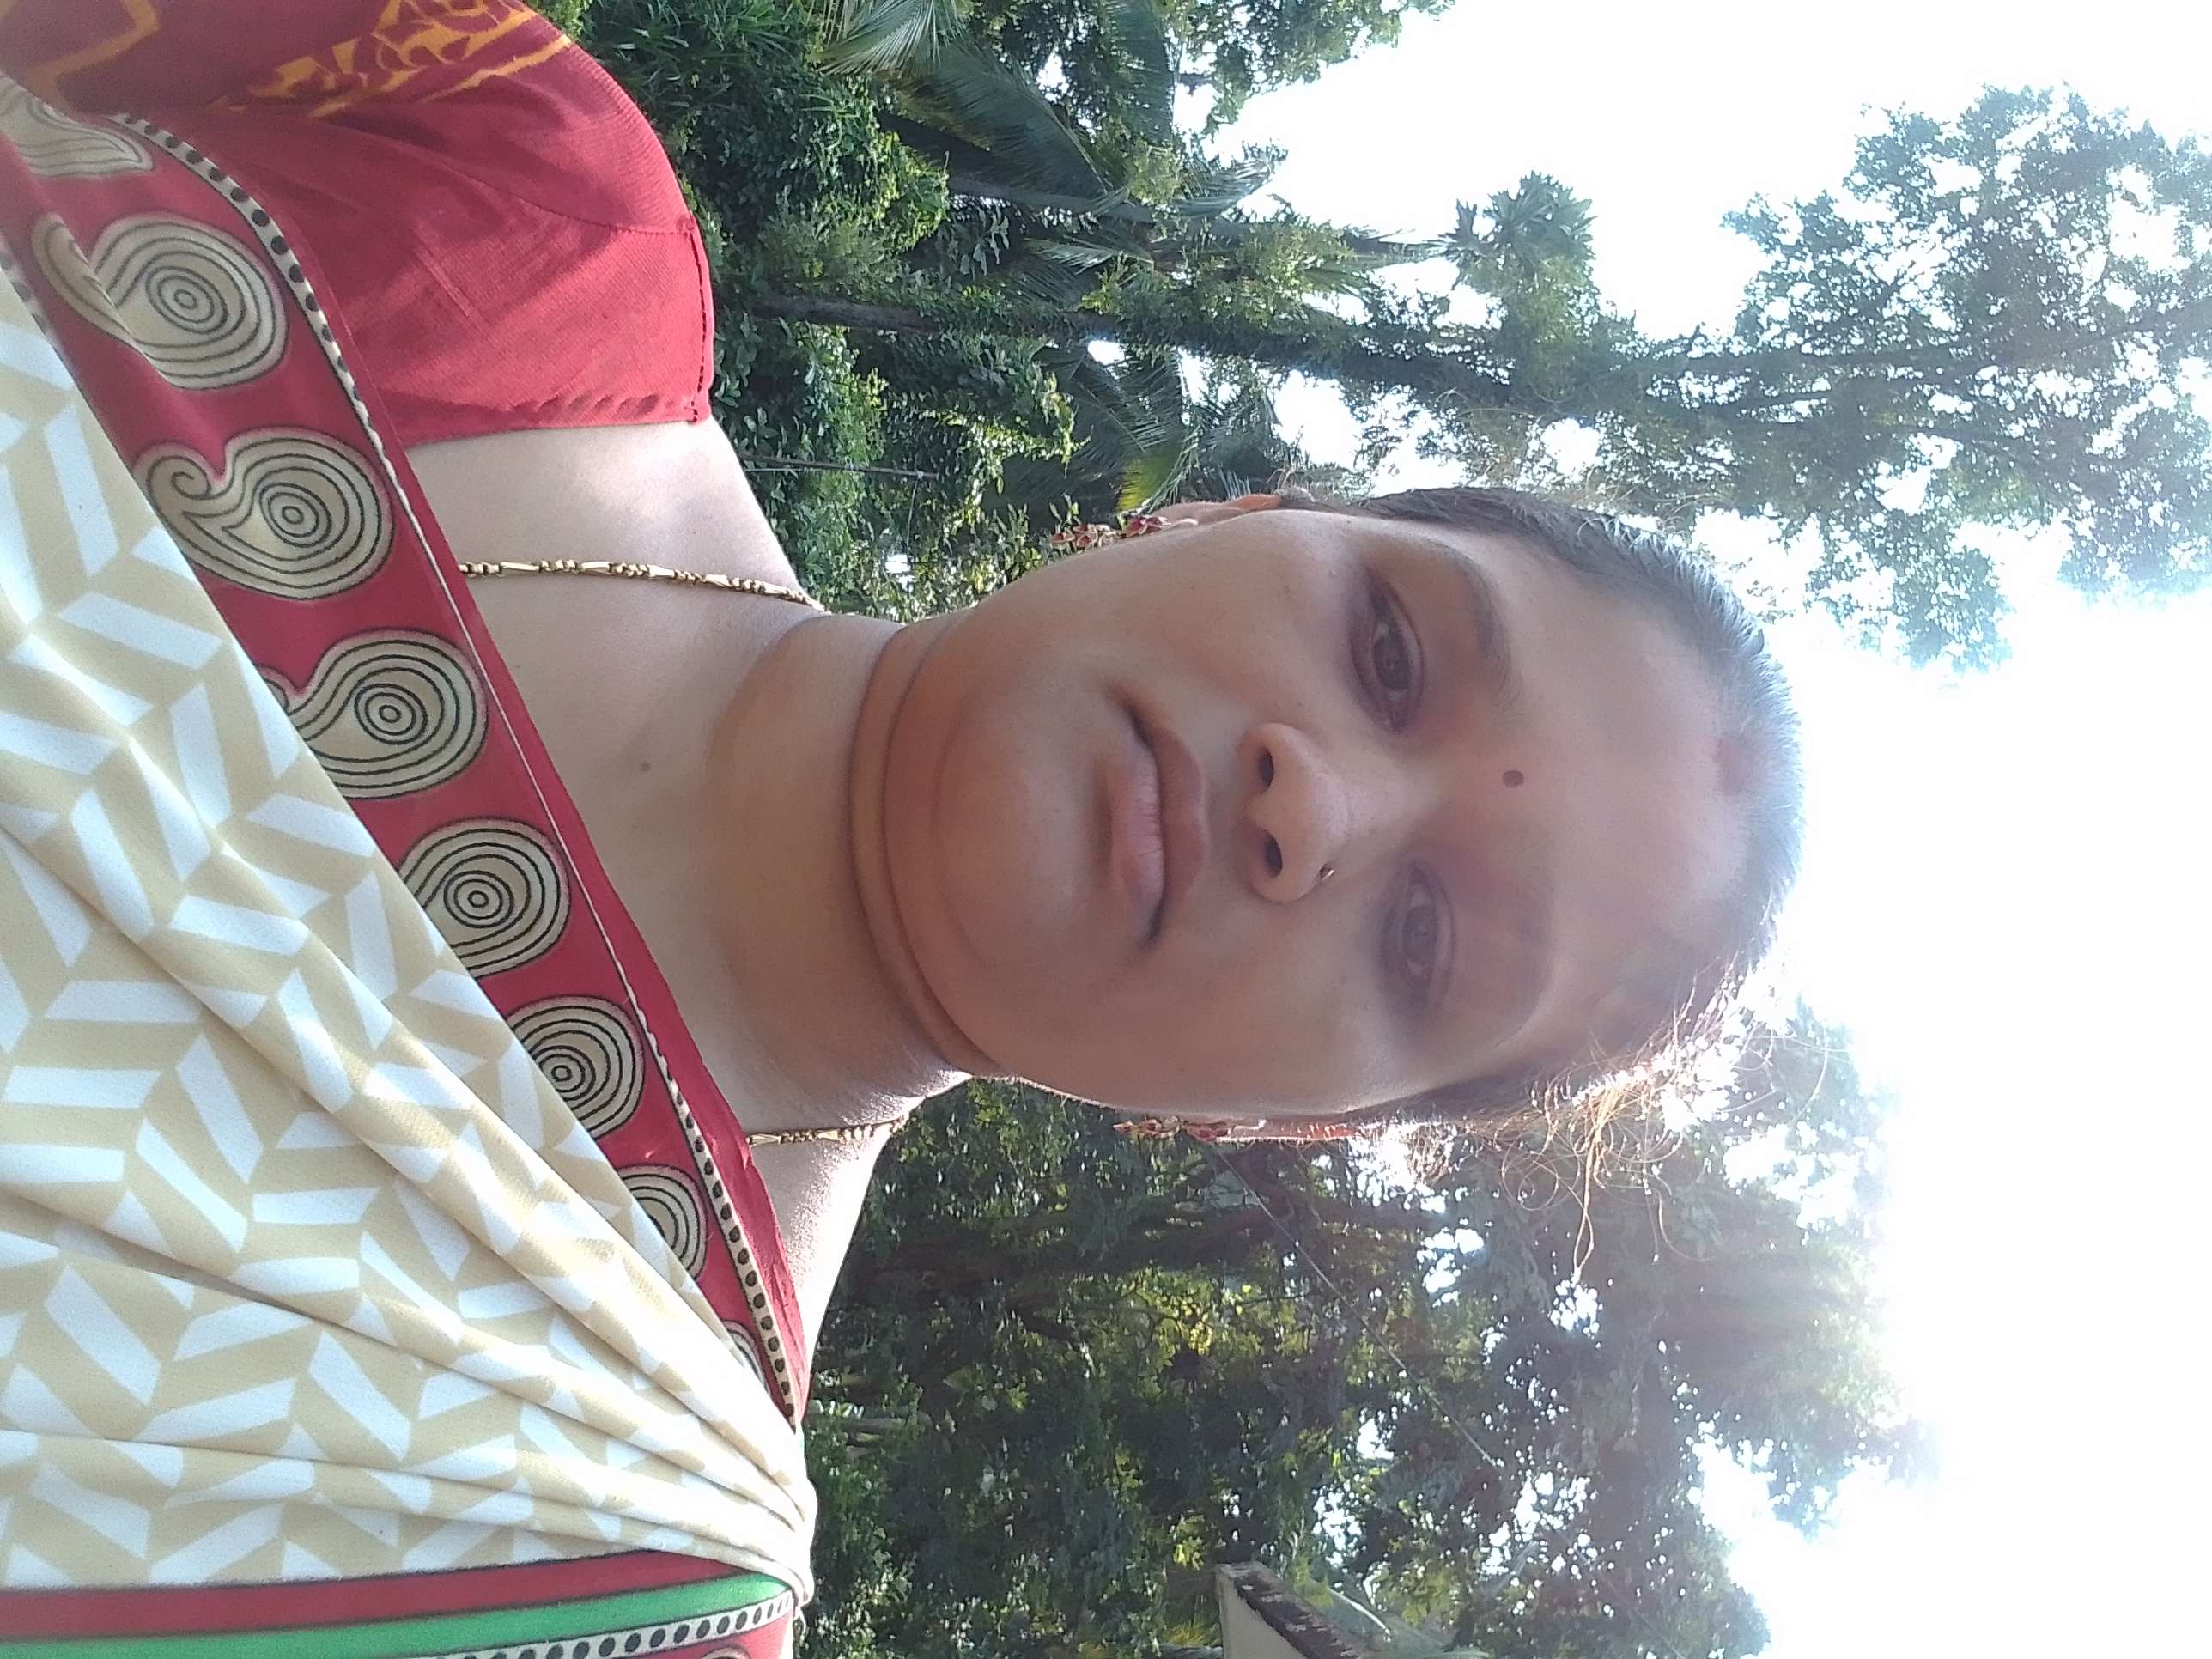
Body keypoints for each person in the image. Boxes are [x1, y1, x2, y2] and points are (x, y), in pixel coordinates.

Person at [0, 2, 1801, 1653]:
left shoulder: (602, 1567)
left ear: (1283, 1123)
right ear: (1225, 517)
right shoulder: (512, 188)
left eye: (1422, 940)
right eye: (1390, 650)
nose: (1309, 800)